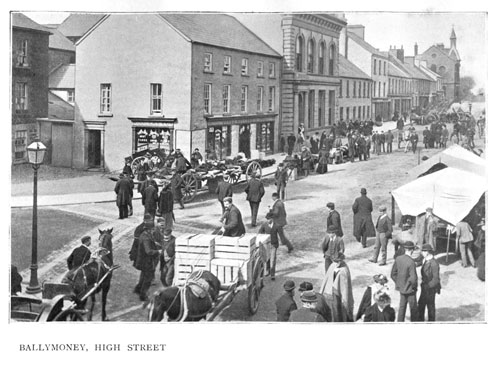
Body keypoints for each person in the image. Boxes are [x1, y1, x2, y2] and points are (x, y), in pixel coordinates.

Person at [320, 252, 354, 322]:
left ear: (341, 260)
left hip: (338, 294)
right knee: (330, 310)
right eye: (335, 261)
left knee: (338, 311)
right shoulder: (332, 265)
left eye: (338, 261)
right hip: (329, 292)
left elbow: (345, 287)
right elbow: (327, 278)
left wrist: (345, 299)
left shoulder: (344, 269)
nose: (337, 263)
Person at [133, 219, 161, 301]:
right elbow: (148, 251)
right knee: (148, 279)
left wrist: (155, 244)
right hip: (147, 261)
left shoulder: (144, 234)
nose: (154, 230)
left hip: (143, 260)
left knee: (143, 275)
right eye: (153, 229)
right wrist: (158, 251)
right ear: (149, 229)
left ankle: (138, 289)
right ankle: (143, 295)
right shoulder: (146, 238)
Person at [391, 241, 418, 322]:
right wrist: (413, 287)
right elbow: (413, 279)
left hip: (401, 288)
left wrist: (399, 283)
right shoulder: (411, 262)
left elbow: (393, 274)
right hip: (410, 289)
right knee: (413, 309)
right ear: (412, 250)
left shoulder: (398, 259)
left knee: (402, 308)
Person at [418, 244, 441, 321]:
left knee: (430, 306)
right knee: (421, 305)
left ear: (427, 252)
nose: (422, 252)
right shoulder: (424, 260)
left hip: (430, 288)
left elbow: (436, 279)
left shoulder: (434, 263)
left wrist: (428, 286)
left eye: (423, 251)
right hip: (424, 286)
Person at [259, 213, 279, 279]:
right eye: (267, 219)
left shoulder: (276, 225)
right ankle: (267, 271)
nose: (268, 220)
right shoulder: (264, 225)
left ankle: (272, 274)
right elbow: (260, 232)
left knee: (273, 259)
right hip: (266, 244)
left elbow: (281, 234)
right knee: (266, 258)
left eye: (269, 219)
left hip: (274, 244)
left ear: (272, 219)